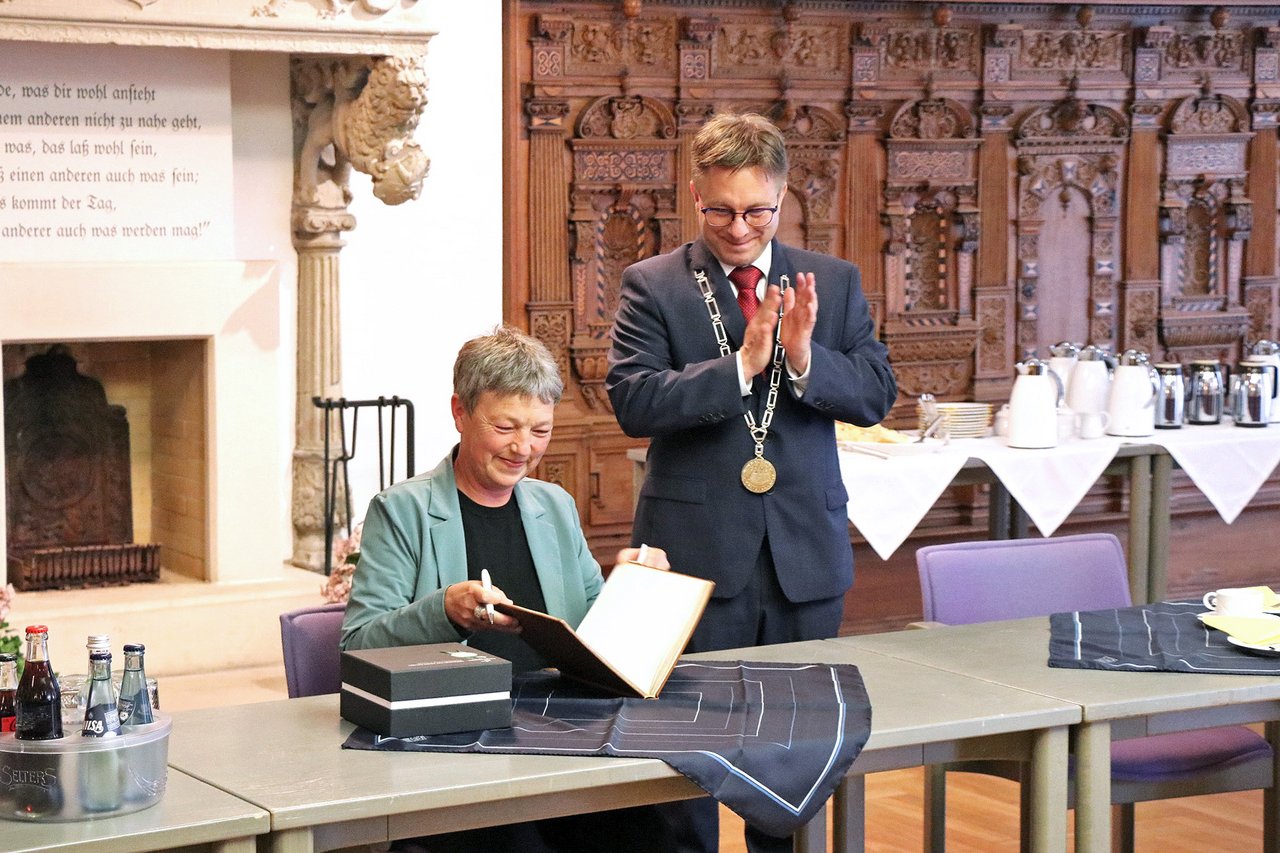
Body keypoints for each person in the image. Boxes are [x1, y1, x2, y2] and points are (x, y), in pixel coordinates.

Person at [606, 112, 897, 853]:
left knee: (796, 765)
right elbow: (633, 401)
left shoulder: (830, 281)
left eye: (757, 211)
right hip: (693, 560)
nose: (740, 228)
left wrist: (803, 359)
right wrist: (740, 366)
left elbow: (874, 394)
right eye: (722, 210)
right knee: (687, 765)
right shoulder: (653, 285)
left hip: (803, 557)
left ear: (783, 195)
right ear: (693, 194)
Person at [342, 325, 668, 853]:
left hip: (557, 730)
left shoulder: (553, 505)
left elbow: (591, 638)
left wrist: (632, 588)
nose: (524, 448)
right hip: (452, 738)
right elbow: (357, 646)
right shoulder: (401, 510)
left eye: (540, 431)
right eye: (506, 427)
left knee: (647, 826)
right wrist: (443, 611)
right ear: (460, 413)